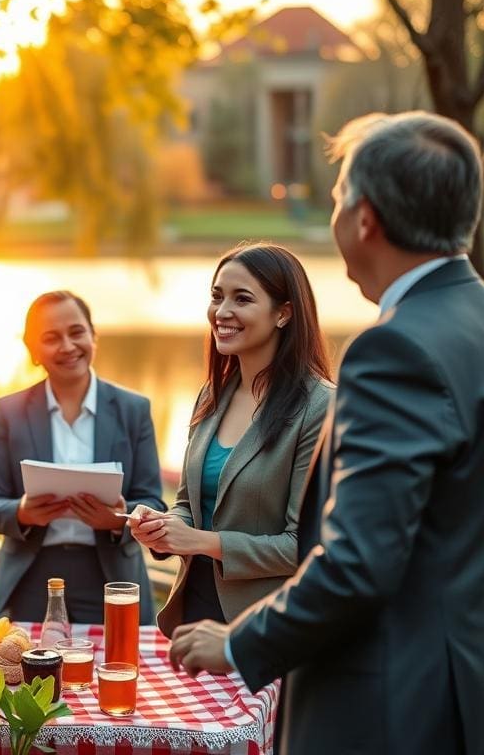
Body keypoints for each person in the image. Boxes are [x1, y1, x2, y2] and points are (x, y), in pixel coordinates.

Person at [167, 111, 484, 755]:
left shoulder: (394, 351)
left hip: (391, 709)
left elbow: (359, 564)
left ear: (363, 219)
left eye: (339, 197)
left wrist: (238, 642)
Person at [129, 243, 332, 636]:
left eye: (242, 299)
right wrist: (163, 528)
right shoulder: (212, 395)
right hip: (193, 615)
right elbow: (189, 504)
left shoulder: (320, 407)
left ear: (284, 313)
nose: (222, 312)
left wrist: (202, 541)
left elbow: (302, 546)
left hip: (267, 626)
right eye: (217, 296)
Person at [0, 290, 164, 624]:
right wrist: (22, 513)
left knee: (117, 670)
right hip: (31, 578)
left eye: (76, 332)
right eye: (51, 338)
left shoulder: (134, 410)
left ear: (94, 336)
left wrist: (118, 519)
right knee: (29, 674)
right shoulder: (9, 412)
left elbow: (154, 502)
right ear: (33, 351)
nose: (67, 346)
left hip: (111, 577)